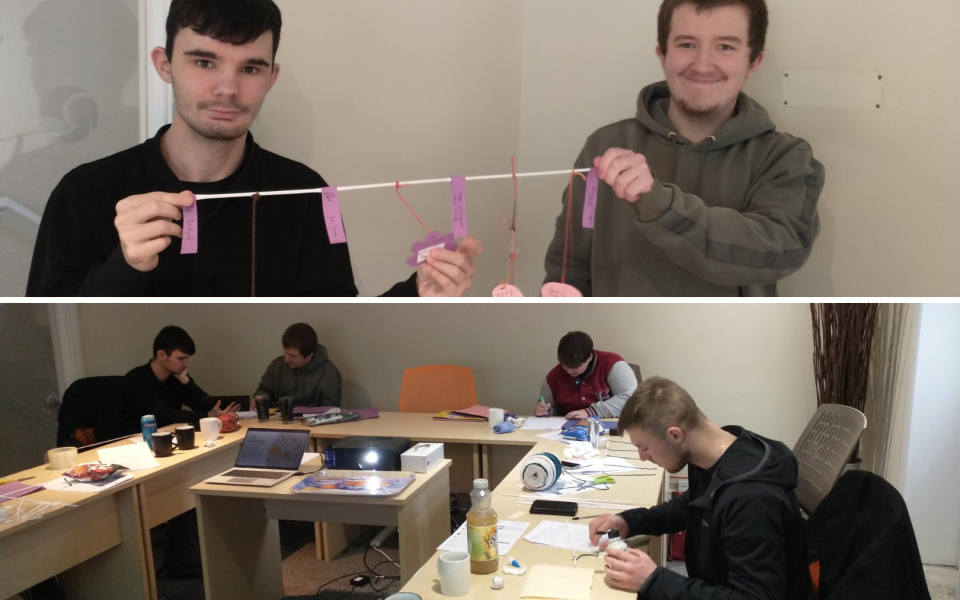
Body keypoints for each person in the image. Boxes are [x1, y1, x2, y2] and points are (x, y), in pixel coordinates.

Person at [27, 0, 481, 297]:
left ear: (271, 77)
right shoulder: (84, 193)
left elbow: (337, 313)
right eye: (204, 62)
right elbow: (49, 316)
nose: (227, 88)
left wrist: (419, 291)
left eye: (250, 68)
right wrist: (125, 266)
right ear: (164, 65)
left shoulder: (306, 193)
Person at [544, 0, 824, 297]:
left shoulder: (786, 159)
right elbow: (568, 268)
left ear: (753, 62)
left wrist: (657, 204)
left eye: (725, 46)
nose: (702, 65)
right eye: (687, 44)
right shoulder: (603, 147)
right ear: (662, 54)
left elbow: (778, 252)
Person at [588, 377, 812, 599]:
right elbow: (691, 506)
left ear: (675, 435)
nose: (643, 457)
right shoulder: (716, 453)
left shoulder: (750, 498)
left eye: (645, 447)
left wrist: (654, 579)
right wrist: (629, 522)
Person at [123, 325, 239, 429]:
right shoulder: (137, 379)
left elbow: (201, 405)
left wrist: (187, 383)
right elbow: (163, 415)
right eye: (181, 358)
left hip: (169, 435)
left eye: (187, 358)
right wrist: (208, 415)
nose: (186, 364)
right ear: (161, 355)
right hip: (137, 440)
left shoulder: (177, 377)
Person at [534, 331, 637, 419]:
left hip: (610, 429)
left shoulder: (612, 364)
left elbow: (629, 400)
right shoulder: (553, 377)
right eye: (565, 366)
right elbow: (550, 408)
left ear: (589, 357)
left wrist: (591, 411)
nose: (569, 371)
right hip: (568, 432)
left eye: (574, 367)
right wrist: (545, 410)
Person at [253, 322, 341, 408]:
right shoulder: (277, 365)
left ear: (309, 356)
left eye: (293, 356)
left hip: (310, 419)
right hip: (277, 418)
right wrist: (261, 397)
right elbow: (264, 389)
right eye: (285, 352)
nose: (286, 359)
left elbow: (330, 409)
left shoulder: (328, 371)